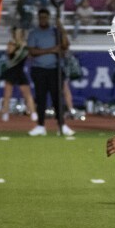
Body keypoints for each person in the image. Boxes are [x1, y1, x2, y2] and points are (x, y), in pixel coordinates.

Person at [27, 8, 75, 137]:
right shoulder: (34, 33)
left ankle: (62, 125)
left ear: (48, 18)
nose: (43, 19)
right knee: (41, 99)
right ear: (38, 18)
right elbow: (32, 51)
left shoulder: (55, 32)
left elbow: (65, 45)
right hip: (39, 69)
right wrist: (51, 50)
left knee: (57, 99)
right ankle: (40, 125)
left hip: (54, 69)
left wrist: (62, 29)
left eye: (45, 17)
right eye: (41, 17)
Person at [0, 27, 37, 123]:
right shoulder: (12, 43)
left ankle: (33, 113)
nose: (18, 34)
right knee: (7, 94)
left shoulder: (26, 45)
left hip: (20, 71)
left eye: (20, 33)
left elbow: (29, 56)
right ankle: (5, 113)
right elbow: (10, 53)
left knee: (27, 93)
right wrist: (18, 45)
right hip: (12, 70)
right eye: (16, 33)